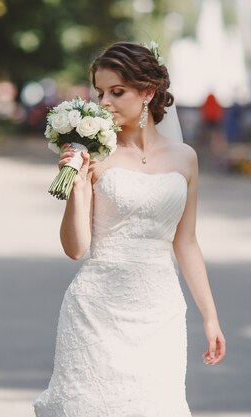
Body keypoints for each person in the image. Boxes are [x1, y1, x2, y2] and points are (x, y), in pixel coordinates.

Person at [33, 41, 226, 416]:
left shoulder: (185, 159)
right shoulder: (96, 156)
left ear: (148, 92)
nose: (104, 102)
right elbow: (75, 250)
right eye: (100, 92)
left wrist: (210, 315)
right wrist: (76, 186)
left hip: (160, 312)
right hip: (95, 311)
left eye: (117, 92)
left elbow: (186, 242)